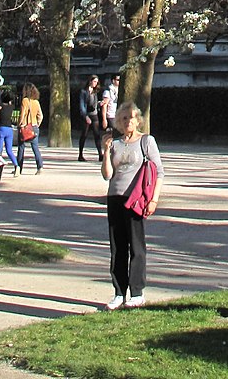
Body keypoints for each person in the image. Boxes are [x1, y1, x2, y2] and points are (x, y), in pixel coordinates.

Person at [101, 101, 164, 308]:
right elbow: (107, 175)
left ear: (139, 120)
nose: (128, 121)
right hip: (115, 197)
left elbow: (159, 173)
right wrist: (105, 151)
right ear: (119, 121)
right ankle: (119, 292)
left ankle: (137, 292)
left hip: (136, 199)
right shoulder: (116, 144)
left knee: (137, 246)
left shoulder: (147, 141)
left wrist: (154, 199)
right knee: (118, 247)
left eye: (132, 117)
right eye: (124, 118)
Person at [18, 82, 44, 173]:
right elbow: (40, 115)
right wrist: (37, 124)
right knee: (35, 147)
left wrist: (19, 124)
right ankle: (40, 166)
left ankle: (18, 167)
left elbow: (23, 114)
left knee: (21, 147)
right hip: (34, 126)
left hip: (25, 126)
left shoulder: (25, 101)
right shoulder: (36, 102)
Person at [98, 73, 121, 157]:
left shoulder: (120, 89)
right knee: (111, 133)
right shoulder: (108, 91)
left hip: (118, 115)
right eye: (118, 80)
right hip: (110, 115)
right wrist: (104, 119)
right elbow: (105, 105)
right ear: (113, 80)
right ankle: (107, 149)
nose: (119, 82)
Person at [78, 75, 100, 161]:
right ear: (90, 81)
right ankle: (80, 154)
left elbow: (94, 104)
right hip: (87, 114)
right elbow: (82, 105)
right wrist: (85, 116)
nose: (95, 84)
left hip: (94, 114)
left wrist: (99, 104)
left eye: (97, 82)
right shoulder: (84, 92)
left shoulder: (95, 92)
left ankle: (100, 154)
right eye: (94, 81)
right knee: (84, 134)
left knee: (97, 134)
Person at [0, 90, 18, 168]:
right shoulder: (11, 107)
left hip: (1, 128)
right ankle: (16, 165)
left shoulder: (0, 106)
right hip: (9, 129)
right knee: (9, 150)